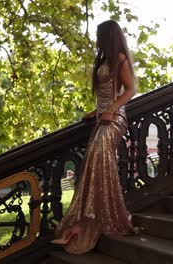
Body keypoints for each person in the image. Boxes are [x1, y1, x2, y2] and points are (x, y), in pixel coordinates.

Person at [51, 20, 137, 254]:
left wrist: (110, 109)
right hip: (102, 117)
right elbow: (103, 92)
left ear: (109, 36)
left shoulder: (120, 58)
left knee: (99, 155)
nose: (96, 39)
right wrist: (97, 111)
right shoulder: (104, 60)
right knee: (93, 160)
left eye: (100, 35)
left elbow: (130, 90)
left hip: (115, 118)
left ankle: (103, 216)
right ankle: (90, 216)